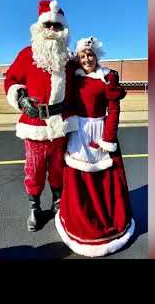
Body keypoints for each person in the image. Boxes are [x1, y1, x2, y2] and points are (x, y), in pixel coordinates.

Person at [55, 37, 135, 257]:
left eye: (89, 54)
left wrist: (108, 138)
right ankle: (81, 221)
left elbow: (114, 110)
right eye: (82, 56)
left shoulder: (108, 77)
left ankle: (106, 221)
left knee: (105, 180)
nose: (86, 59)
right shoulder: (74, 77)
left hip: (100, 133)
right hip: (77, 133)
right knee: (79, 180)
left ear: (97, 55)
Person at [4, 0, 78, 232]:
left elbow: (83, 85)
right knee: (34, 171)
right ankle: (35, 208)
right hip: (34, 124)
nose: (52, 31)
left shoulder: (68, 59)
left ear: (63, 30)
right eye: (48, 25)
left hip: (60, 125)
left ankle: (58, 204)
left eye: (57, 26)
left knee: (58, 170)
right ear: (39, 27)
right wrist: (21, 98)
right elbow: (11, 80)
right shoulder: (27, 55)